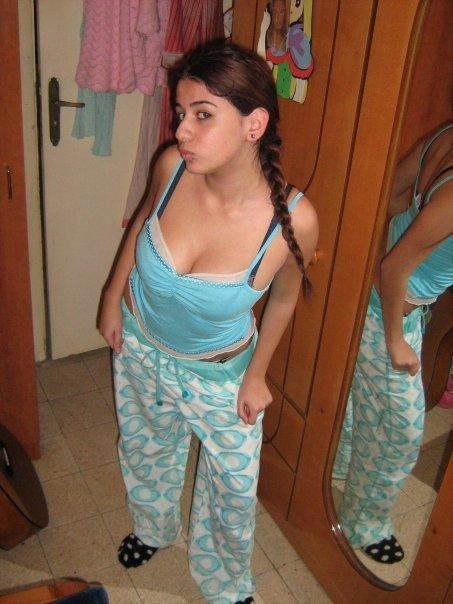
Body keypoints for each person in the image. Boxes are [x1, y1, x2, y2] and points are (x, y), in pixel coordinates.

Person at [99, 39, 318, 604]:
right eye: (180, 113)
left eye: (202, 115)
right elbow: (140, 224)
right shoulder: (171, 168)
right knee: (145, 448)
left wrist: (257, 375)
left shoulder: (292, 222)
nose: (182, 131)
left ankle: (224, 582)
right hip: (141, 345)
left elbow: (285, 298)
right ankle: (153, 528)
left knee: (233, 489)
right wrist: (111, 297)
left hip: (219, 374)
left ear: (254, 124)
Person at [334, 123, 453, 564]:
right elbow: (394, 266)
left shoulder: (443, 135)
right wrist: (395, 339)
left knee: (364, 401)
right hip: (386, 312)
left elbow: (388, 200)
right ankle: (363, 524)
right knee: (400, 432)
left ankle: (340, 467)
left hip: (378, 301)